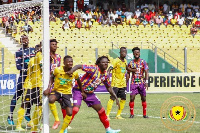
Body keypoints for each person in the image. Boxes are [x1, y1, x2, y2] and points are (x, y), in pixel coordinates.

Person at [67, 56, 121, 133]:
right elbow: (79, 66)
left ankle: (108, 129)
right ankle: (64, 128)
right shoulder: (93, 68)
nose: (105, 64)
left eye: (106, 63)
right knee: (75, 109)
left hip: (89, 94)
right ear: (99, 64)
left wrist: (116, 98)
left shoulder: (105, 75)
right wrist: (71, 71)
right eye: (103, 62)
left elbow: (109, 87)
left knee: (101, 110)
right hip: (78, 90)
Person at [44, 55, 82, 133]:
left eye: (71, 61)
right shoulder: (57, 70)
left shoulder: (75, 73)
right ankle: (57, 120)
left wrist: (82, 91)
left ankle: (61, 131)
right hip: (57, 91)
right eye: (68, 61)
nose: (70, 63)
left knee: (69, 113)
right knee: (51, 99)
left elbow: (79, 81)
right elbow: (52, 77)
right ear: (64, 63)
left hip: (67, 93)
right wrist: (48, 88)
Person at [7, 35, 35, 125]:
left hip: (33, 78)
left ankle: (27, 113)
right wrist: (26, 68)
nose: (25, 40)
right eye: (23, 39)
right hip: (23, 77)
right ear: (20, 41)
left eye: (26, 39)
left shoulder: (33, 50)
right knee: (17, 96)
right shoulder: (18, 52)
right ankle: (10, 115)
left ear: (28, 40)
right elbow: (18, 66)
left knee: (32, 95)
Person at [15, 44, 41, 131]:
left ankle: (33, 123)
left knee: (39, 104)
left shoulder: (39, 59)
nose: (38, 51)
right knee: (25, 103)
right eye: (37, 50)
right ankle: (18, 125)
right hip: (30, 84)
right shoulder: (33, 60)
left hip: (38, 84)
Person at [127, 47, 149, 119]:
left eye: (138, 52)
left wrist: (146, 81)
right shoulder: (131, 63)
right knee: (132, 98)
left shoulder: (143, 62)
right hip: (133, 83)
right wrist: (126, 82)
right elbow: (128, 73)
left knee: (143, 98)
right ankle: (131, 114)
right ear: (133, 53)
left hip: (141, 82)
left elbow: (146, 72)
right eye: (135, 52)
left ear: (139, 53)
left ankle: (145, 114)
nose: (137, 53)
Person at [106, 47, 128, 120]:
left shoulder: (125, 61)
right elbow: (110, 68)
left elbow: (126, 70)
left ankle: (118, 115)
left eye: (125, 52)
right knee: (112, 98)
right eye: (123, 52)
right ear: (120, 53)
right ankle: (107, 115)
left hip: (123, 84)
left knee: (123, 99)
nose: (124, 53)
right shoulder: (116, 61)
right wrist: (107, 75)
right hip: (115, 83)